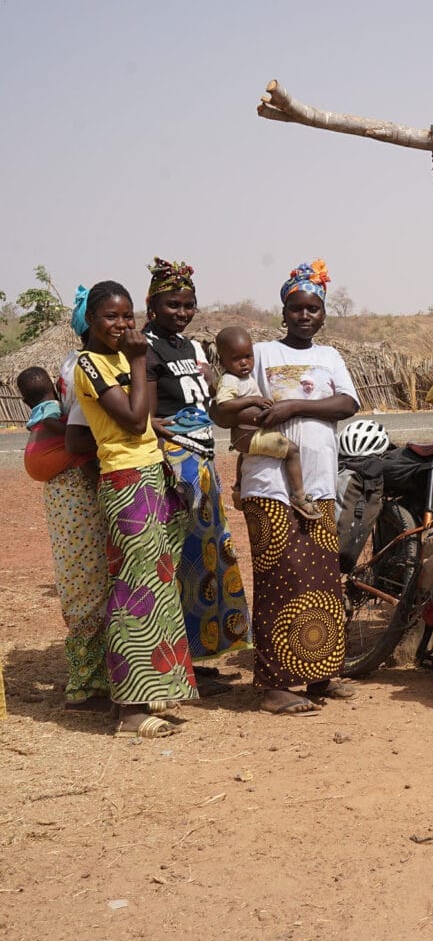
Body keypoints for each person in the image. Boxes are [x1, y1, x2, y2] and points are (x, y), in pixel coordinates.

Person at [227, 260, 358, 716]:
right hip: (268, 482)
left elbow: (347, 403)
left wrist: (293, 407)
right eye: (296, 308)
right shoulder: (260, 353)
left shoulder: (330, 358)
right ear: (284, 312)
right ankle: (276, 685)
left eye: (313, 309)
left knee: (321, 578)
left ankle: (320, 673)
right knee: (278, 576)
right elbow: (230, 400)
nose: (305, 316)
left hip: (318, 484)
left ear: (323, 314)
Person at [73, 280, 196, 737]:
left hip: (147, 473)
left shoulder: (120, 359)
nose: (122, 325)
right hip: (125, 479)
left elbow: (142, 420)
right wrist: (142, 358)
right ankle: (129, 711)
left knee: (156, 585)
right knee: (135, 589)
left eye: (127, 316)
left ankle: (146, 694)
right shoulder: (91, 363)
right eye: (110, 316)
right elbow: (131, 419)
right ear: (91, 320)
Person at [142, 258, 251, 677]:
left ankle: (197, 655)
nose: (182, 313)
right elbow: (152, 418)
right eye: (173, 305)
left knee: (206, 561)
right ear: (153, 304)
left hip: (203, 462)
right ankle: (173, 661)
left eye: (188, 305)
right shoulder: (146, 348)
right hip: (176, 467)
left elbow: (206, 403)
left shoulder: (192, 348)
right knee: (180, 562)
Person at [19, 363, 108, 710]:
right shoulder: (60, 413)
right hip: (73, 498)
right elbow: (74, 445)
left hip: (63, 501)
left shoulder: (44, 415)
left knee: (81, 585)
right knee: (87, 588)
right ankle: (85, 686)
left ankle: (92, 679)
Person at [210, 326, 319, 520]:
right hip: (248, 434)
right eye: (236, 359)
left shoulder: (240, 376)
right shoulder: (230, 379)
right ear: (222, 360)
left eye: (248, 357)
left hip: (246, 435)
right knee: (291, 451)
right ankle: (300, 496)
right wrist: (254, 401)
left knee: (245, 456)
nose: (244, 363)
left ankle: (238, 488)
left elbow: (215, 388)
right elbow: (224, 405)